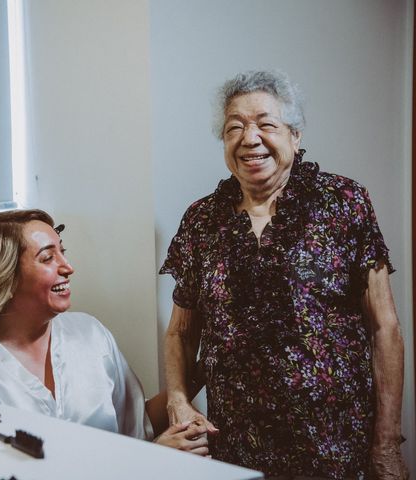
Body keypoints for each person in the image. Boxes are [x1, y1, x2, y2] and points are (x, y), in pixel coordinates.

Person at [160, 70, 407, 479]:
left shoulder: (343, 203)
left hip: (333, 444)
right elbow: (181, 333)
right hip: (236, 444)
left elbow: (385, 328)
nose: (249, 138)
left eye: (265, 124)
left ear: (295, 136)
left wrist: (385, 444)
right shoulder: (202, 220)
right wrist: (179, 399)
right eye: (234, 127)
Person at [0, 209, 207, 453]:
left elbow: (135, 424)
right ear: (4, 278)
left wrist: (208, 368)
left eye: (63, 252)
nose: (68, 267)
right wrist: (149, 461)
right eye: (48, 258)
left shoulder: (90, 335)